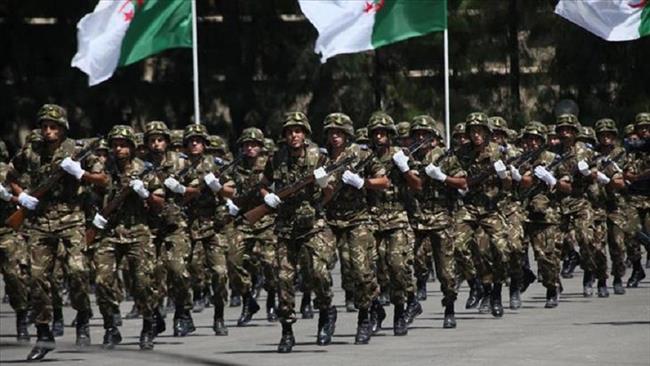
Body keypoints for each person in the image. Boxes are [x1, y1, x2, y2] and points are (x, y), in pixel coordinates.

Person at [8, 104, 109, 360]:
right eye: (44, 126)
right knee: (37, 278)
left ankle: (83, 315)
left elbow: (103, 180)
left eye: (53, 127)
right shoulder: (32, 151)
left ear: (63, 128)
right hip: (40, 222)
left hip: (71, 219)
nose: (48, 131)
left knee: (77, 271)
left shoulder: (77, 150)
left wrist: (81, 173)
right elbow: (11, 174)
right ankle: (43, 334)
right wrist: (22, 197)